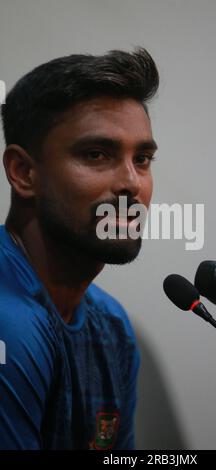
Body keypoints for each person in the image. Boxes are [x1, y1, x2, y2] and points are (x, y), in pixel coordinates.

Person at [0, 48, 159, 450]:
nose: (131, 184)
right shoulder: (10, 324)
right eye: (97, 154)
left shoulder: (113, 327)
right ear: (23, 173)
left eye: (142, 158)